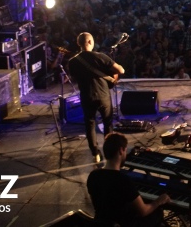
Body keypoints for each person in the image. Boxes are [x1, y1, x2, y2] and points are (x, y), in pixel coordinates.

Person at [87, 132, 171, 226]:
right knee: (157, 213)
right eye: (125, 151)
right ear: (121, 151)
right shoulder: (123, 180)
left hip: (101, 223)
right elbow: (143, 211)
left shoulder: (93, 175)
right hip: (123, 224)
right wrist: (159, 200)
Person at [68, 32, 124, 163]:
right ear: (89, 42)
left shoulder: (73, 62)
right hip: (103, 94)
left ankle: (95, 153)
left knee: (90, 124)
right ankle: (109, 151)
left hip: (87, 95)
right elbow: (121, 70)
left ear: (79, 43)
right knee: (107, 123)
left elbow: (74, 77)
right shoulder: (101, 57)